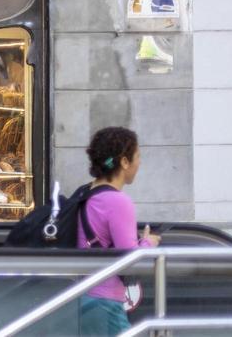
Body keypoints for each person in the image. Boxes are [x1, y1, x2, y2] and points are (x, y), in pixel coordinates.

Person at [78, 126, 160, 336]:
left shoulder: (86, 193)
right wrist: (149, 242)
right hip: (106, 300)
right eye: (138, 156)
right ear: (124, 161)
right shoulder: (117, 201)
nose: (139, 162)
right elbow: (130, 260)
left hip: (83, 296)